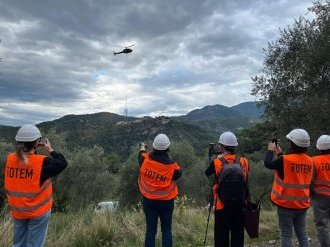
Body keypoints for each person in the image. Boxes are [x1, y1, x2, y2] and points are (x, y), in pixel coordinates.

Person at [4, 124, 68, 247]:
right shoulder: (42, 162)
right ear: (36, 143)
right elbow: (62, 163)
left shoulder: (10, 159)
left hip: (18, 210)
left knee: (18, 244)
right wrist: (50, 150)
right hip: (38, 213)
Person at [264, 128, 314, 247]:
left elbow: (268, 164)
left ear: (292, 144)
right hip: (302, 204)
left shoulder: (284, 160)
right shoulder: (310, 161)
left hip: (286, 205)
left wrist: (270, 151)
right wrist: (280, 154)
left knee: (286, 234)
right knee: (302, 233)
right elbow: (295, 169)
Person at [205, 131, 249, 247]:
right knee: (238, 236)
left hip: (221, 205)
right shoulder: (244, 161)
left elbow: (207, 173)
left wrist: (216, 158)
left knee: (221, 238)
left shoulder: (217, 162)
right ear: (235, 146)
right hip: (239, 205)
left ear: (221, 147)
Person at [138, 133, 182, 247]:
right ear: (168, 148)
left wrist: (143, 146)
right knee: (166, 231)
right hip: (166, 202)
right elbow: (178, 175)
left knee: (150, 231)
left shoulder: (144, 159)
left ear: (153, 146)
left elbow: (141, 153)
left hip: (149, 201)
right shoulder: (173, 167)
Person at [311, 135, 330, 247]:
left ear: (318, 147)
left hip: (319, 197)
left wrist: (309, 193)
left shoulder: (313, 160)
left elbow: (311, 180)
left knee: (322, 225)